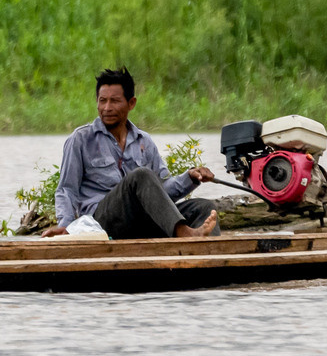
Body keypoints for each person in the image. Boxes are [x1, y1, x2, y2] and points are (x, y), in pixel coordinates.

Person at [43, 67, 219, 240]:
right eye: (102, 100)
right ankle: (185, 234)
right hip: (101, 223)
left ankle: (212, 261)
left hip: (140, 221)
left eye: (115, 101)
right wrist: (65, 225)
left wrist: (190, 177)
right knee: (140, 175)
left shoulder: (144, 141)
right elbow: (66, 189)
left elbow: (163, 191)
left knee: (204, 208)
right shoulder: (80, 139)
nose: (107, 107)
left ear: (131, 103)